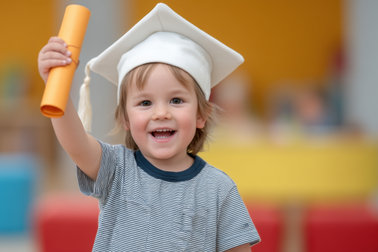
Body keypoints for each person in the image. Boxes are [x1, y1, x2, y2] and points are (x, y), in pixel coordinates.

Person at [38, 3, 260, 251]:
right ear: (125, 119)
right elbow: (75, 143)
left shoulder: (219, 190)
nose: (161, 113)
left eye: (176, 100)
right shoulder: (116, 170)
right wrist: (55, 83)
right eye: (145, 102)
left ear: (201, 115)